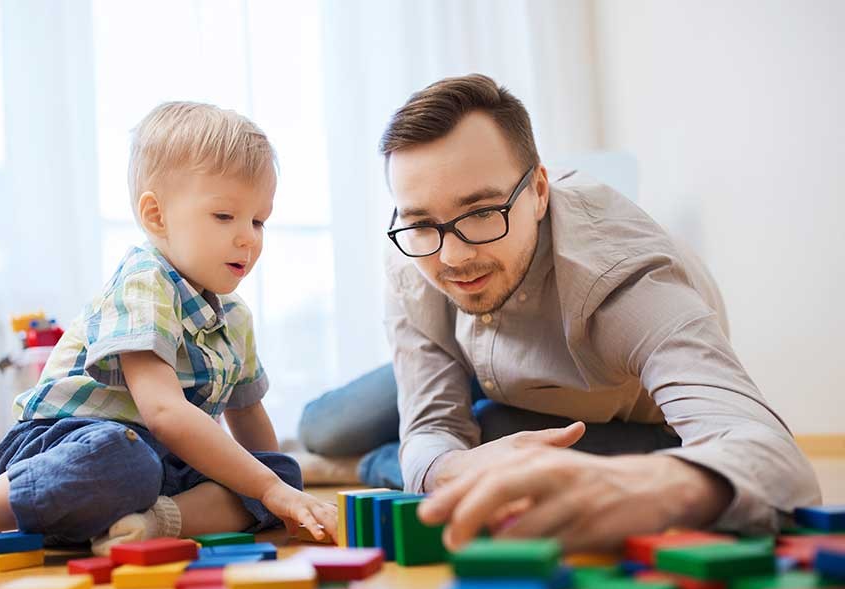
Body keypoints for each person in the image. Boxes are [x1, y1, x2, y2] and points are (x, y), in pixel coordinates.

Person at [299, 74, 820, 552]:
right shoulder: (414, 251)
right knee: (324, 428)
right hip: (474, 363)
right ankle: (385, 457)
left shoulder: (626, 279)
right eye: (421, 222)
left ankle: (376, 463)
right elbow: (434, 423)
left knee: (495, 431)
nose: (453, 257)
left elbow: (778, 462)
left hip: (611, 416)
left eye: (482, 213)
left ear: (540, 191)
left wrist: (661, 486)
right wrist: (450, 464)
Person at [0, 101, 337, 578]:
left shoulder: (234, 317)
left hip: (159, 469)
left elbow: (248, 416)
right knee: (126, 457)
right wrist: (267, 490)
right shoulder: (144, 282)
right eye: (224, 217)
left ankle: (151, 525)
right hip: (66, 449)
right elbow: (164, 413)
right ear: (156, 216)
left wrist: (280, 491)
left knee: (278, 470)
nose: (248, 239)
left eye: (258, 221)